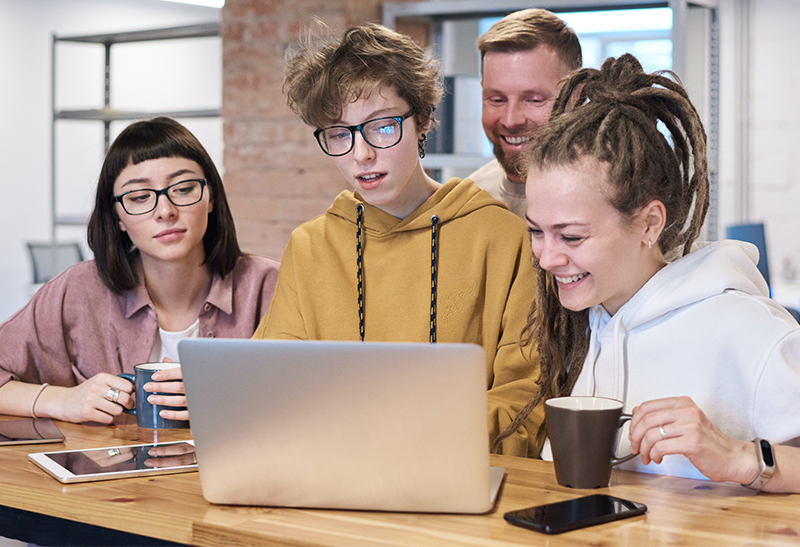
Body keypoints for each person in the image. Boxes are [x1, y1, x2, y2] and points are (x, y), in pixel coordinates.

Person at [495, 53, 800, 493]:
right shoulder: (580, 324)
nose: (546, 258)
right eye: (536, 232)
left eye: (572, 237)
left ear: (649, 224)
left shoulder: (749, 331)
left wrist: (739, 456)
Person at [254, 23, 541, 457]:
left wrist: (413, 435)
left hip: (453, 476)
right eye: (339, 133)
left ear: (422, 119)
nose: (361, 154)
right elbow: (269, 382)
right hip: (332, 476)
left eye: (382, 127)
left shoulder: (501, 237)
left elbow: (525, 399)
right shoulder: (310, 246)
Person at [0, 117, 280, 425]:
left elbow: (321, 397)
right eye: (139, 197)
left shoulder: (270, 287)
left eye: (184, 189)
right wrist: (62, 399)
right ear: (118, 217)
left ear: (210, 197)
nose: (165, 211)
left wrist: (231, 397)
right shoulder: (78, 291)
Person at [467, 8, 582, 218]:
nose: (511, 120)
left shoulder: (622, 198)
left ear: (577, 96)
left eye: (534, 100)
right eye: (497, 99)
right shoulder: (469, 201)